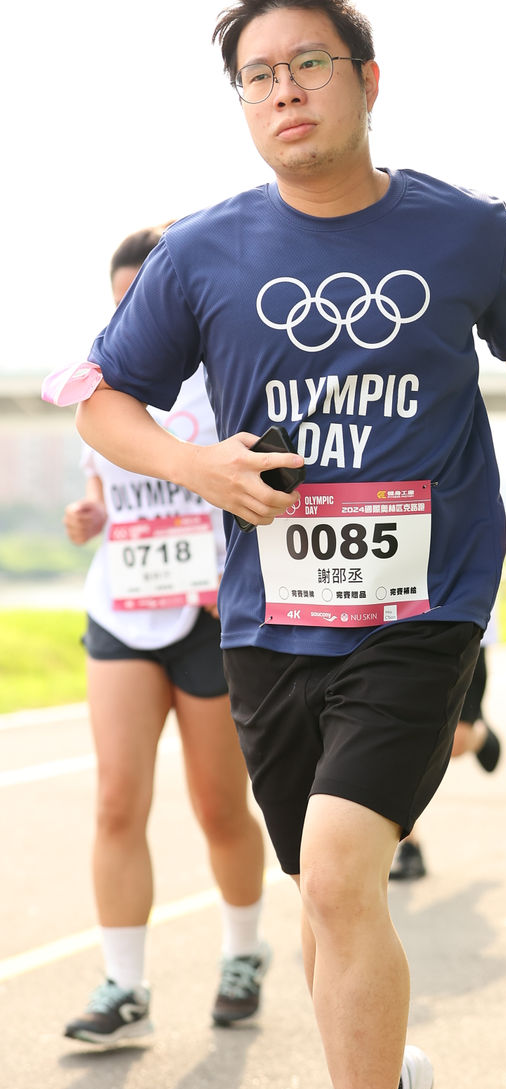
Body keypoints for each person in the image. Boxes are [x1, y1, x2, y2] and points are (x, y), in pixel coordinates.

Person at [63, 5, 506, 1089]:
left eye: (307, 65)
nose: (284, 91)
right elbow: (103, 402)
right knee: (321, 887)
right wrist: (195, 465)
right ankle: (378, 1079)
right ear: (241, 102)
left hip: (424, 602)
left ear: (367, 80)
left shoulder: (466, 228)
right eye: (257, 76)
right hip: (269, 617)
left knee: (343, 871)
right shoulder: (203, 250)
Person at [61, 226, 269, 1045]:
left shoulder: (227, 381)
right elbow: (103, 493)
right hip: (122, 610)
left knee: (219, 805)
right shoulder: (99, 385)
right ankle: (125, 986)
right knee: (117, 799)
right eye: (121, 304)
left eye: (144, 299)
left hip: (209, 619)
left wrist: (233, 577)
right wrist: (89, 516)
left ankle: (243, 954)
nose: (132, 318)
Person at [390, 617, 502, 881]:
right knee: (394, 743)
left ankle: (481, 736)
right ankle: (410, 845)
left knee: (456, 743)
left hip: (460, 624)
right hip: (393, 631)